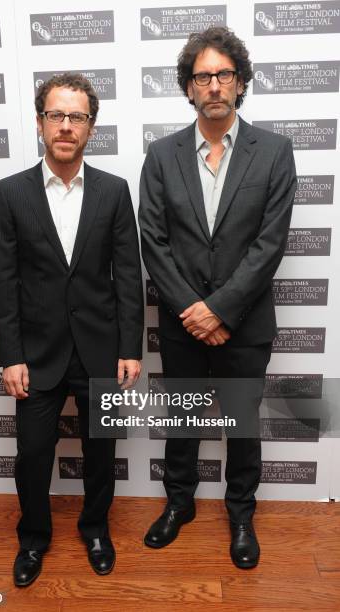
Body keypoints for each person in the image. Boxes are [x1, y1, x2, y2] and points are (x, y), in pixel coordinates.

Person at [138, 26, 296, 568]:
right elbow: (153, 241)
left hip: (245, 325)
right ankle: (178, 505)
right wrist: (195, 312)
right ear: (188, 88)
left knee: (242, 425)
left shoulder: (274, 152)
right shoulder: (160, 156)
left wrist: (222, 309)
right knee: (180, 422)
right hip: (183, 321)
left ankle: (241, 514)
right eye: (202, 76)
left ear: (241, 82)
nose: (213, 85)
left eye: (223, 74)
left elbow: (269, 243)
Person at [0, 73, 143, 585]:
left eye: (77, 117)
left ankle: (95, 528)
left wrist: (130, 347)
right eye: (57, 114)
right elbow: (3, 282)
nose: (66, 125)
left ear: (91, 128)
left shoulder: (115, 192)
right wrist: (10, 356)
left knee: (102, 450)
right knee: (33, 454)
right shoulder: (10, 194)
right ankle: (33, 538)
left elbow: (127, 276)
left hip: (100, 349)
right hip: (35, 354)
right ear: (40, 123)